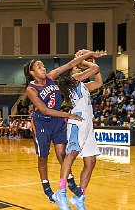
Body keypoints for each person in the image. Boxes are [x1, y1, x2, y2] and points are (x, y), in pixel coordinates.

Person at [24, 50, 106, 203]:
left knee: (63, 154)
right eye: (39, 67)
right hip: (43, 121)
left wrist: (89, 56)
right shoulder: (32, 88)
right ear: (31, 72)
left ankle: (70, 183)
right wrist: (87, 59)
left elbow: (75, 67)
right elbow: (44, 109)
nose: (43, 68)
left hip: (59, 121)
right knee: (44, 157)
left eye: (43, 66)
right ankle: (47, 186)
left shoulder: (53, 78)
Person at [53, 52, 104, 210]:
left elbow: (99, 82)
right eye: (76, 68)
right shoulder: (73, 81)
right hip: (78, 121)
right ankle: (61, 191)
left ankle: (79, 197)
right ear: (72, 73)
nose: (78, 69)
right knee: (72, 154)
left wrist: (89, 64)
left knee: (90, 161)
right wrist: (88, 63)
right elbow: (95, 68)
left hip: (88, 123)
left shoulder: (83, 85)